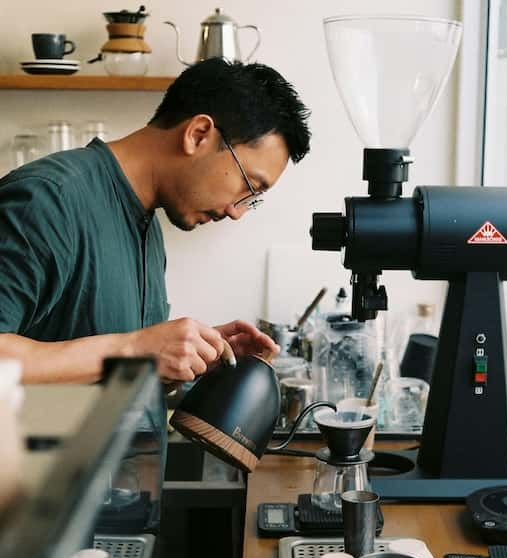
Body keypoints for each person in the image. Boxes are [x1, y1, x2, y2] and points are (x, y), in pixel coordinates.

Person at [0, 58, 311, 384]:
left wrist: (190, 359)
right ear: (198, 134)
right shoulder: (47, 201)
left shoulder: (148, 225)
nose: (237, 211)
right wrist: (137, 349)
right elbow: (126, 351)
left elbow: (106, 375)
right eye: (248, 186)